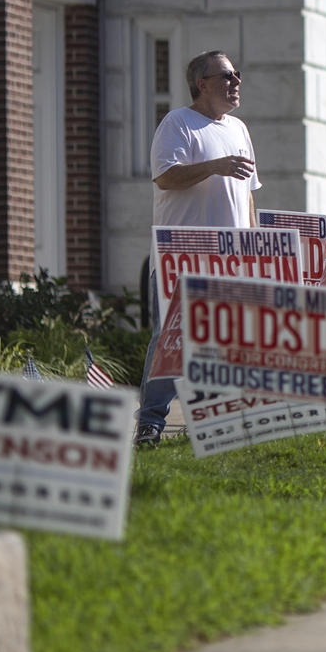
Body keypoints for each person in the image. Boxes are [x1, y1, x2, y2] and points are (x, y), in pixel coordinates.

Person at [134, 50, 260, 444]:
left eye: (237, 74)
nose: (236, 81)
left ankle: (214, 423)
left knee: (223, 341)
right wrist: (214, 166)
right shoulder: (178, 123)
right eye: (226, 76)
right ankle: (152, 422)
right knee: (171, 338)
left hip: (231, 258)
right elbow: (165, 178)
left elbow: (249, 195)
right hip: (182, 257)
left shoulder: (239, 129)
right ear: (201, 84)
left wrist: (255, 244)